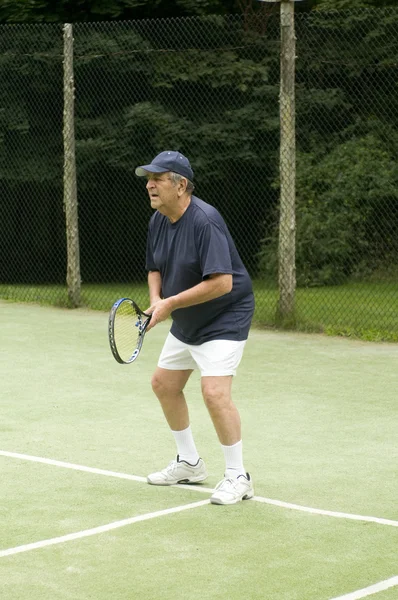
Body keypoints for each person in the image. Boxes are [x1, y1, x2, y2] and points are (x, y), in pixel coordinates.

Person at [135, 150, 255, 505]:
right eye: (148, 179)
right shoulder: (158, 219)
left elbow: (222, 283)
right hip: (189, 317)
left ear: (181, 185)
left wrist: (169, 304)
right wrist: (157, 298)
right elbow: (154, 267)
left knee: (215, 393)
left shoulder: (206, 221)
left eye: (158, 178)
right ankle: (189, 462)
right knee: (164, 384)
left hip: (224, 316)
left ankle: (238, 476)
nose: (150, 185)